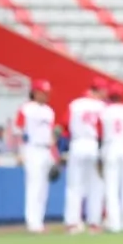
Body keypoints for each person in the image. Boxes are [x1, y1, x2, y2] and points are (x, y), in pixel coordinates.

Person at [65, 76, 107, 233]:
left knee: (74, 185)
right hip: (95, 144)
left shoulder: (75, 105)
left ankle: (72, 223)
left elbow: (65, 126)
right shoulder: (103, 106)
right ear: (98, 90)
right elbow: (104, 130)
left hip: (77, 143)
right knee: (96, 185)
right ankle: (94, 223)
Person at [14, 79, 56, 233]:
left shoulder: (49, 111)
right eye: (43, 92)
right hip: (31, 148)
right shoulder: (26, 108)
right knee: (34, 186)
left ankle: (40, 221)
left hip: (45, 150)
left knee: (44, 188)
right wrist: (20, 152)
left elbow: (50, 135)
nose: (46, 95)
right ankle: (32, 222)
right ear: (35, 92)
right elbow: (18, 131)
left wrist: (54, 156)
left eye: (47, 92)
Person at [99, 84, 123, 231]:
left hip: (111, 146)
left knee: (111, 187)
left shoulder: (105, 111)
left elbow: (100, 133)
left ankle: (114, 223)